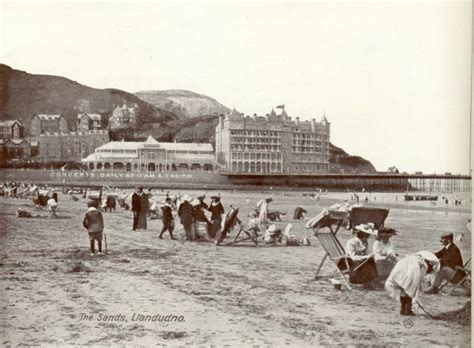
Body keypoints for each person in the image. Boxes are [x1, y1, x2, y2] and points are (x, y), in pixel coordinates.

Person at [386, 251, 440, 315]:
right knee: (410, 289)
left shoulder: (417, 258)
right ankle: (408, 310)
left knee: (404, 288)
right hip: (411, 269)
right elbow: (418, 281)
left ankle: (403, 309)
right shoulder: (423, 266)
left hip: (402, 265)